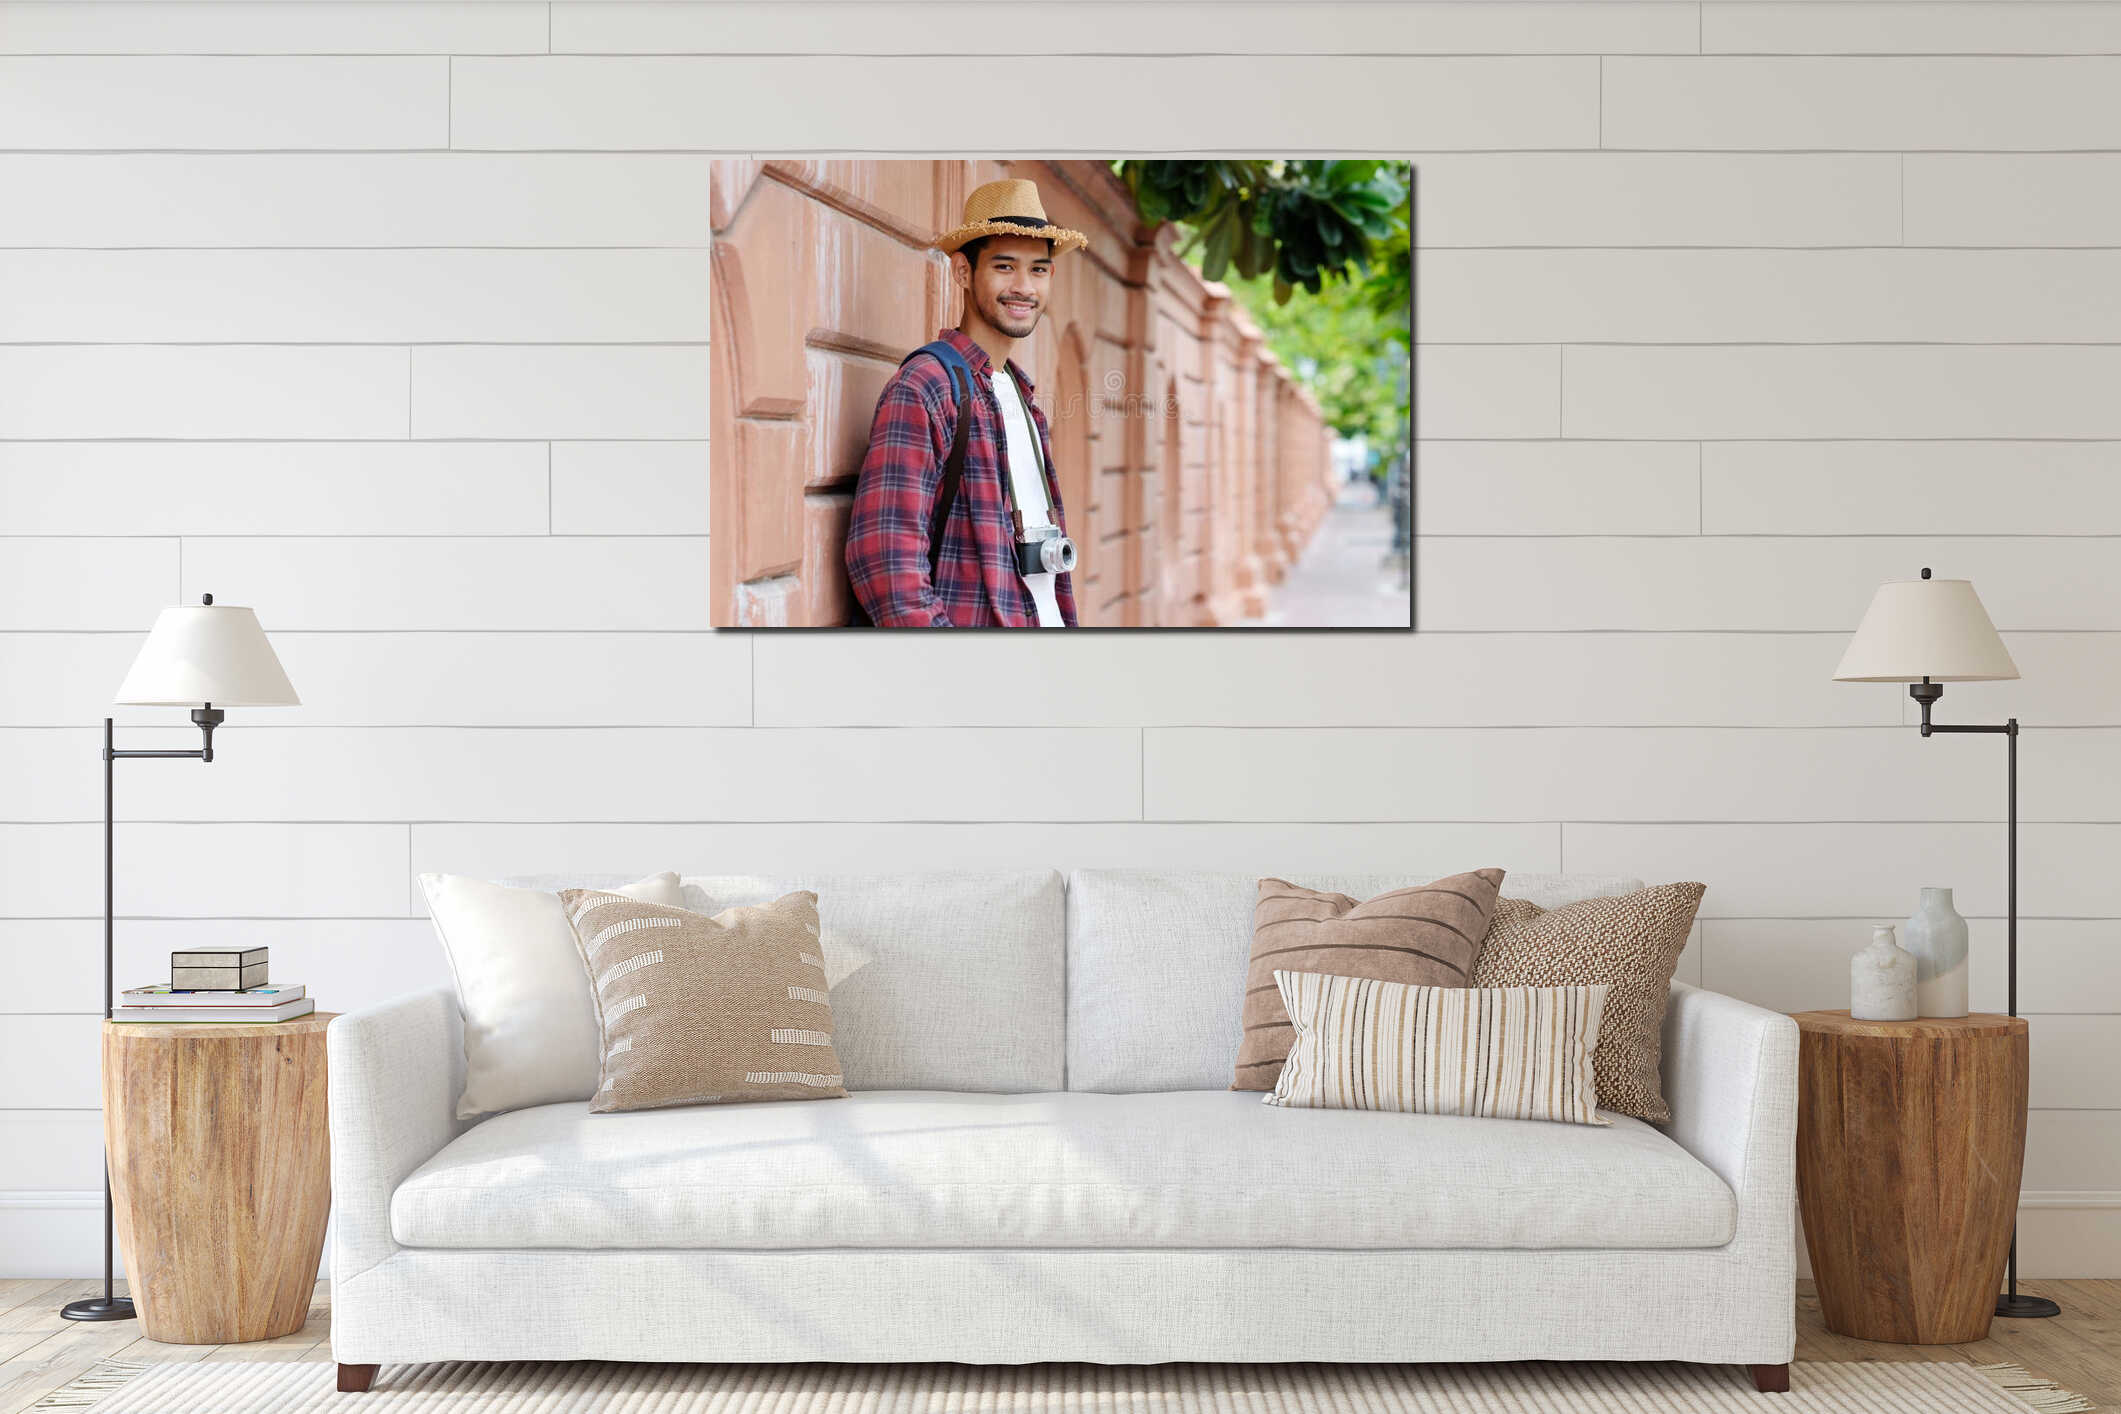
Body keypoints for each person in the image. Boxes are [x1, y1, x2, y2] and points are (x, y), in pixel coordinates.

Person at [845, 178, 1086, 627]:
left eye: (1038, 270)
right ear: (962, 272)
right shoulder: (927, 387)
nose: (1024, 287)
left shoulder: (1025, 400)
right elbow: (886, 562)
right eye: (1004, 266)